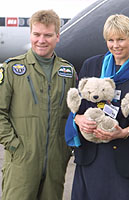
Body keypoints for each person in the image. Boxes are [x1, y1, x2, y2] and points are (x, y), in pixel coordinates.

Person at [70, 14, 129, 200]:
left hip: (124, 157)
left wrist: (122, 132)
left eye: (121, 39)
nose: (115, 45)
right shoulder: (91, 65)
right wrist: (79, 119)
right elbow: (77, 106)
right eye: (110, 40)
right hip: (90, 155)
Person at [0, 10, 76, 200]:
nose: (41, 40)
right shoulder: (12, 69)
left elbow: (74, 114)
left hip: (55, 164)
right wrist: (15, 146)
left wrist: (66, 149)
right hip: (21, 163)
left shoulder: (67, 72)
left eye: (48, 35)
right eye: (37, 34)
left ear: (57, 36)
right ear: (31, 34)